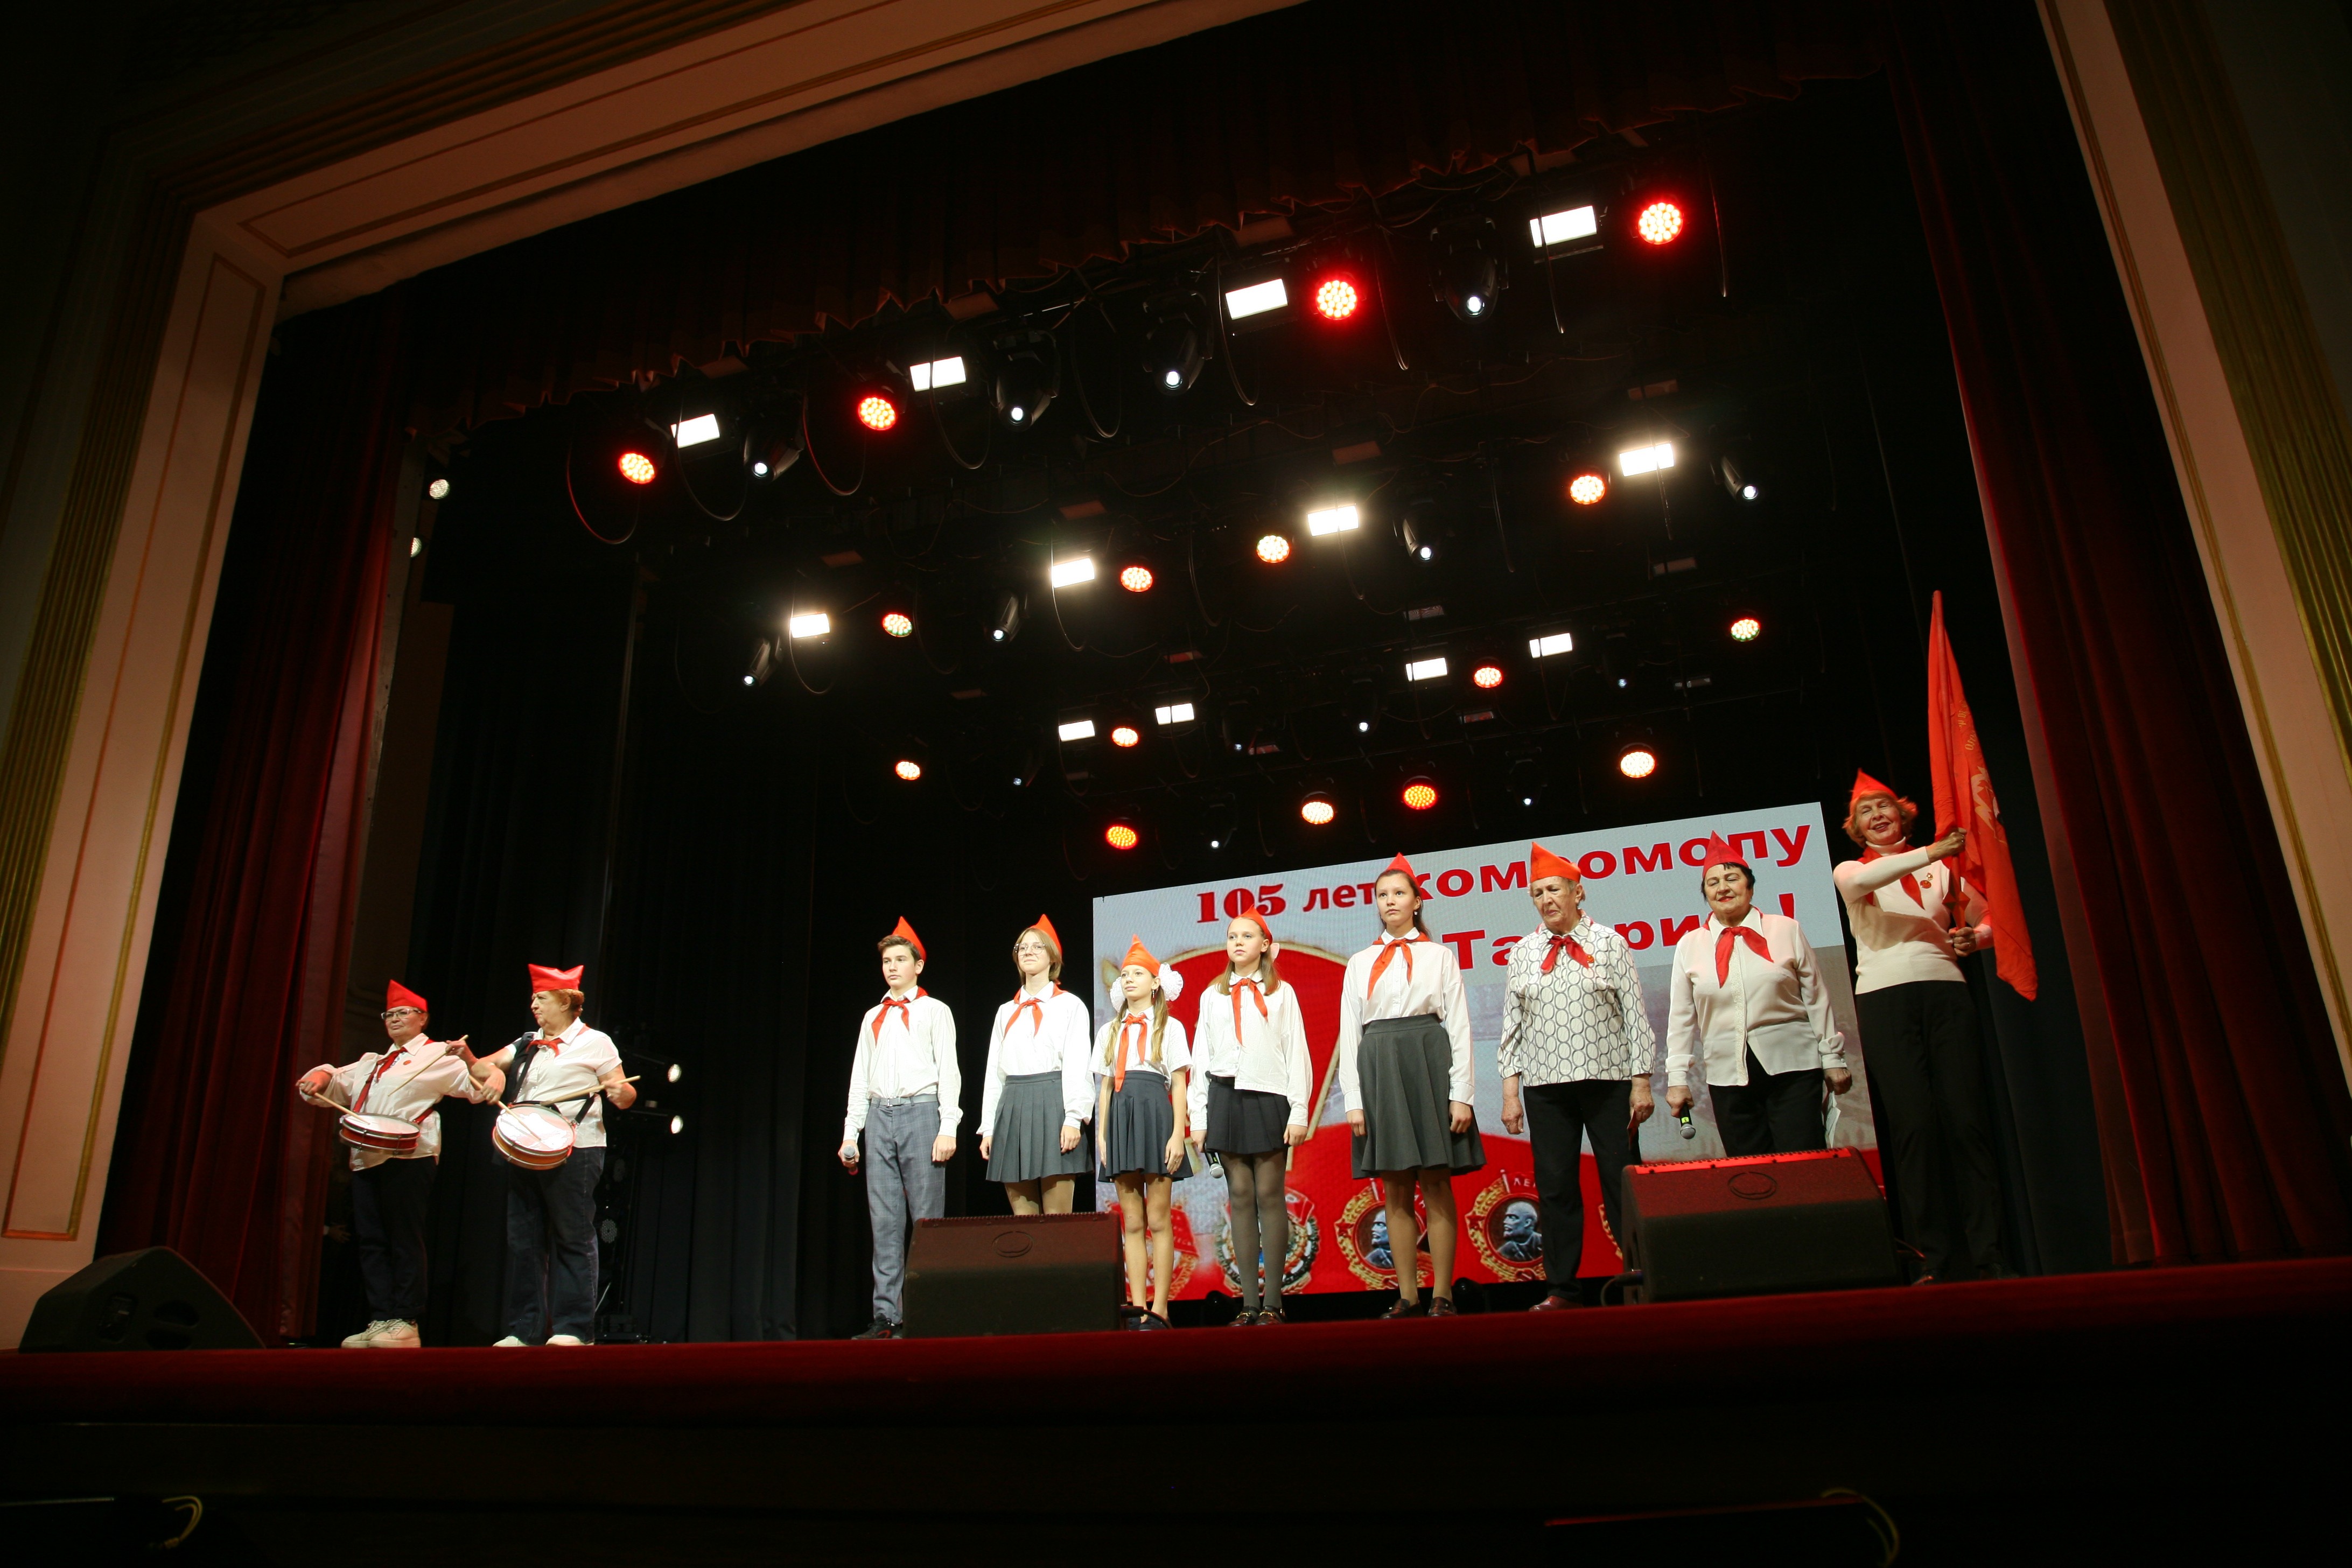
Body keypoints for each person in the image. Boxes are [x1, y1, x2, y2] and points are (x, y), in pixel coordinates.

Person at [1833, 769, 2012, 1283]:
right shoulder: (1853, 869)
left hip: (1946, 992)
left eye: (1885, 806)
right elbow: (1862, 884)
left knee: (1967, 1123)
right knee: (1914, 1127)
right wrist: (1934, 851)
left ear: (1902, 814)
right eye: (1866, 811)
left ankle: (1990, 1255)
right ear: (1857, 827)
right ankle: (1933, 1257)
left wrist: (1975, 939)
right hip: (1884, 998)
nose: (1877, 815)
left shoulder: (1943, 871)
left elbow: (1993, 919)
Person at [295, 979, 499, 1348]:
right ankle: (381, 1317)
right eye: (388, 1014)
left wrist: (477, 1065)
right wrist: (319, 1077)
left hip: (409, 1155)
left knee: (404, 1236)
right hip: (366, 1157)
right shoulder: (371, 1063)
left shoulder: (436, 1055)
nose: (394, 1019)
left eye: (403, 1013)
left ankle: (406, 1318)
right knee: (372, 1240)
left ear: (423, 1018)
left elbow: (477, 1083)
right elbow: (334, 1079)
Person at [1498, 843, 1656, 1312]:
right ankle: (1562, 1290)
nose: (1546, 900)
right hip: (1546, 1088)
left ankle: (1643, 1280)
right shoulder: (1522, 952)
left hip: (1609, 1081)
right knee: (1556, 1189)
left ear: (1577, 892)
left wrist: (1641, 1082)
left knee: (1622, 1183)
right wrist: (1510, 1094)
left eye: (1554, 890)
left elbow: (1635, 1016)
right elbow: (1512, 1028)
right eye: (1538, 893)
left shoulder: (1610, 943)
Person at [1337, 853, 1483, 1318]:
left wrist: (1462, 1094)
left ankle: (1442, 1294)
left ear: (1417, 901)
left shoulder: (1439, 956)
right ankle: (1407, 1295)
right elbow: (1349, 1034)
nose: (1390, 902)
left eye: (1399, 893)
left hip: (1428, 1061)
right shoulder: (1360, 962)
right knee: (1395, 1186)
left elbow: (1459, 1026)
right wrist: (1354, 1099)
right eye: (1383, 895)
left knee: (1436, 1181)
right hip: (1380, 1066)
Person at [461, 963, 635, 1346]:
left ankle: (575, 1329)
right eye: (533, 998)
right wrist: (477, 1062)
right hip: (526, 1147)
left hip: (576, 1148)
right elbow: (484, 1067)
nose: (534, 1005)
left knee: (572, 1237)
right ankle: (525, 1330)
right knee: (524, 1241)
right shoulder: (526, 1042)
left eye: (541, 998)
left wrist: (620, 1092)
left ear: (566, 1002)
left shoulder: (596, 1042)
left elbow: (624, 1094)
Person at [1665, 836, 1851, 1158]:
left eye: (1732, 878)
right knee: (1751, 1172)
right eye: (1713, 883)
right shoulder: (1690, 945)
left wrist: (1832, 1058)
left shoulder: (1786, 929)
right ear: (1706, 895)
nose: (1723, 888)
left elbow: (1816, 997)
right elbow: (1681, 1017)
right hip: (1727, 1075)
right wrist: (1678, 1078)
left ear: (1750, 888)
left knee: (1803, 1163)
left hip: (1794, 1067)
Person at [838, 918, 960, 1341]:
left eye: (900, 960)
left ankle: (929, 1314)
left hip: (921, 1112)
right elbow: (860, 1077)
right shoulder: (873, 1016)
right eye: (887, 961)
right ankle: (888, 1316)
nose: (892, 967)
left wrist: (949, 1126)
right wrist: (851, 1133)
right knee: (885, 1221)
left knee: (926, 1221)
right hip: (879, 1115)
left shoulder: (934, 1011)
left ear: (918, 966)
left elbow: (949, 1072)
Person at [1187, 911, 1311, 1325]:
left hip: (1268, 1095)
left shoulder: (1281, 993)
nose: (1238, 942)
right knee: (1239, 1196)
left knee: (1270, 1195)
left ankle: (1274, 1302)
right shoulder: (1213, 995)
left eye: (1247, 936)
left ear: (1265, 944)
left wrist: (1299, 1110)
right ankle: (1248, 1304)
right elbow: (1202, 1056)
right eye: (1232, 936)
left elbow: (1296, 1051)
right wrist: (1199, 1117)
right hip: (1225, 1097)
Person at [1094, 938, 1191, 1330]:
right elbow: (1104, 1087)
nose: (1129, 979)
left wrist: (1177, 1134)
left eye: (1138, 973)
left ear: (1155, 982)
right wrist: (1103, 1137)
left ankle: (1161, 1308)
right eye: (1125, 974)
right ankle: (1137, 1308)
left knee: (1159, 1218)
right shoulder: (1109, 1030)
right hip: (1121, 1118)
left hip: (1155, 1115)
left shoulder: (1170, 1027)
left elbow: (1179, 1084)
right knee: (1131, 1221)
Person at [977, 915, 1093, 1214]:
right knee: (1023, 1220)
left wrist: (1074, 1118)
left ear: (1053, 956)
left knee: (1057, 1219)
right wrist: (988, 1127)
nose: (1028, 951)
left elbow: (1078, 1065)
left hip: (1053, 1103)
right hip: (1013, 1104)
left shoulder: (1070, 1005)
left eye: (1037, 946)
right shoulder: (1006, 1011)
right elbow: (995, 1073)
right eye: (1022, 947)